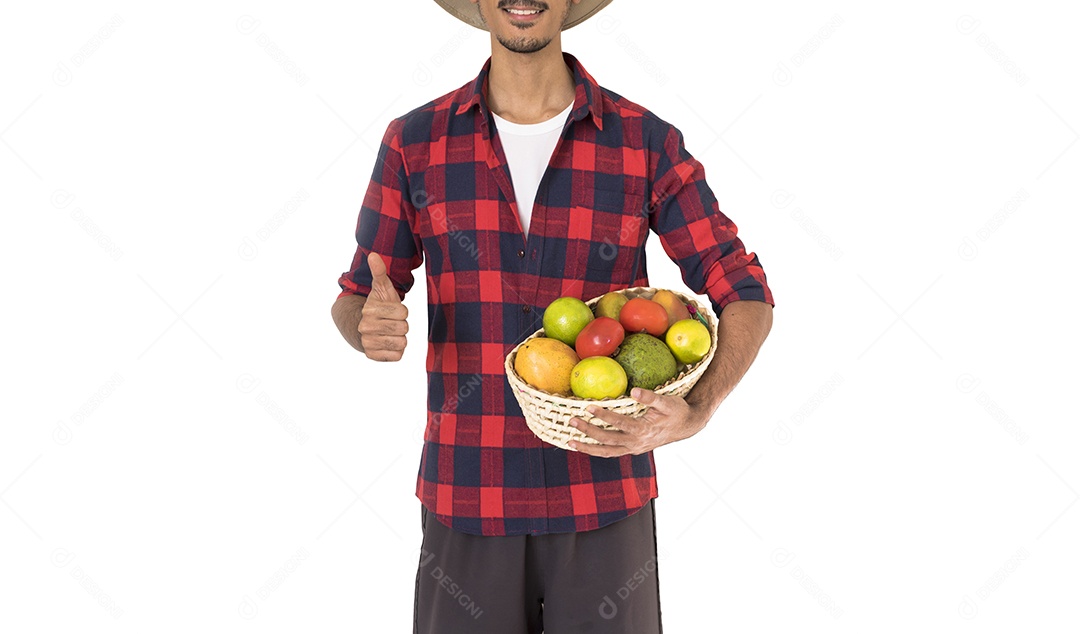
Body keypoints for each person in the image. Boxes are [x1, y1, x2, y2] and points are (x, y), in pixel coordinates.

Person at [330, 0, 775, 631]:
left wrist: (700, 407)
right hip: (468, 494)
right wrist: (366, 325)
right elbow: (358, 293)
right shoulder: (415, 141)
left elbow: (744, 287)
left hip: (605, 499)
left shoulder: (644, 140)